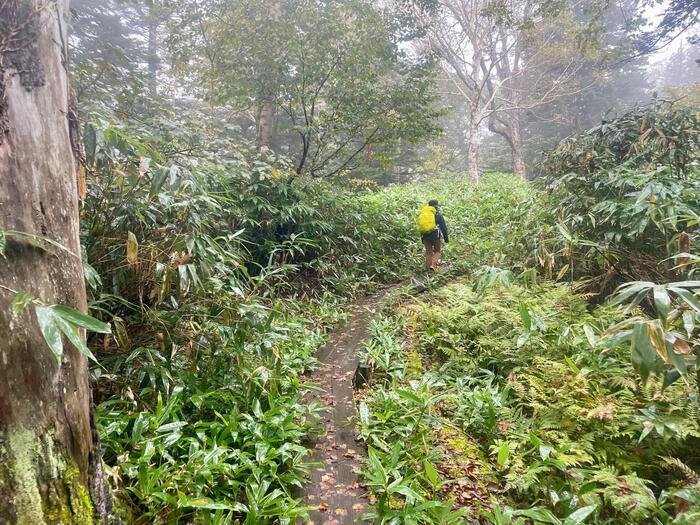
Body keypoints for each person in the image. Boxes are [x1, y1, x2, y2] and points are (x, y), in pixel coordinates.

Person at [417, 199, 449, 272]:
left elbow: (421, 227)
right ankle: (433, 266)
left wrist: (422, 238)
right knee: (437, 251)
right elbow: (443, 227)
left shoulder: (423, 214)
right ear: (436, 206)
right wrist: (446, 239)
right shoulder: (438, 215)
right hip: (435, 235)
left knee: (429, 253)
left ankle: (428, 270)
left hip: (425, 236)